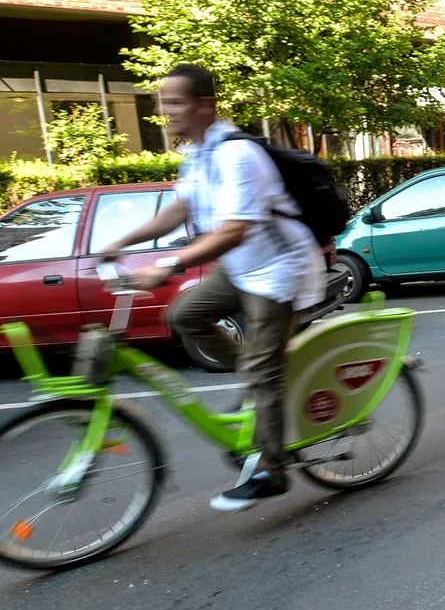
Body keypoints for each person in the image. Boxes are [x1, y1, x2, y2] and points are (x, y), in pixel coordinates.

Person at [99, 63, 325, 512]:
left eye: (175, 102)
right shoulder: (198, 155)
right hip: (242, 268)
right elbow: (180, 211)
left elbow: (232, 231)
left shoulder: (236, 155)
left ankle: (272, 470)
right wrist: (120, 242)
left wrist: (166, 264)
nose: (166, 112)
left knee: (263, 372)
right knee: (183, 317)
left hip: (279, 268)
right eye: (162, 103)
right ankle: (267, 387)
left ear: (205, 105)